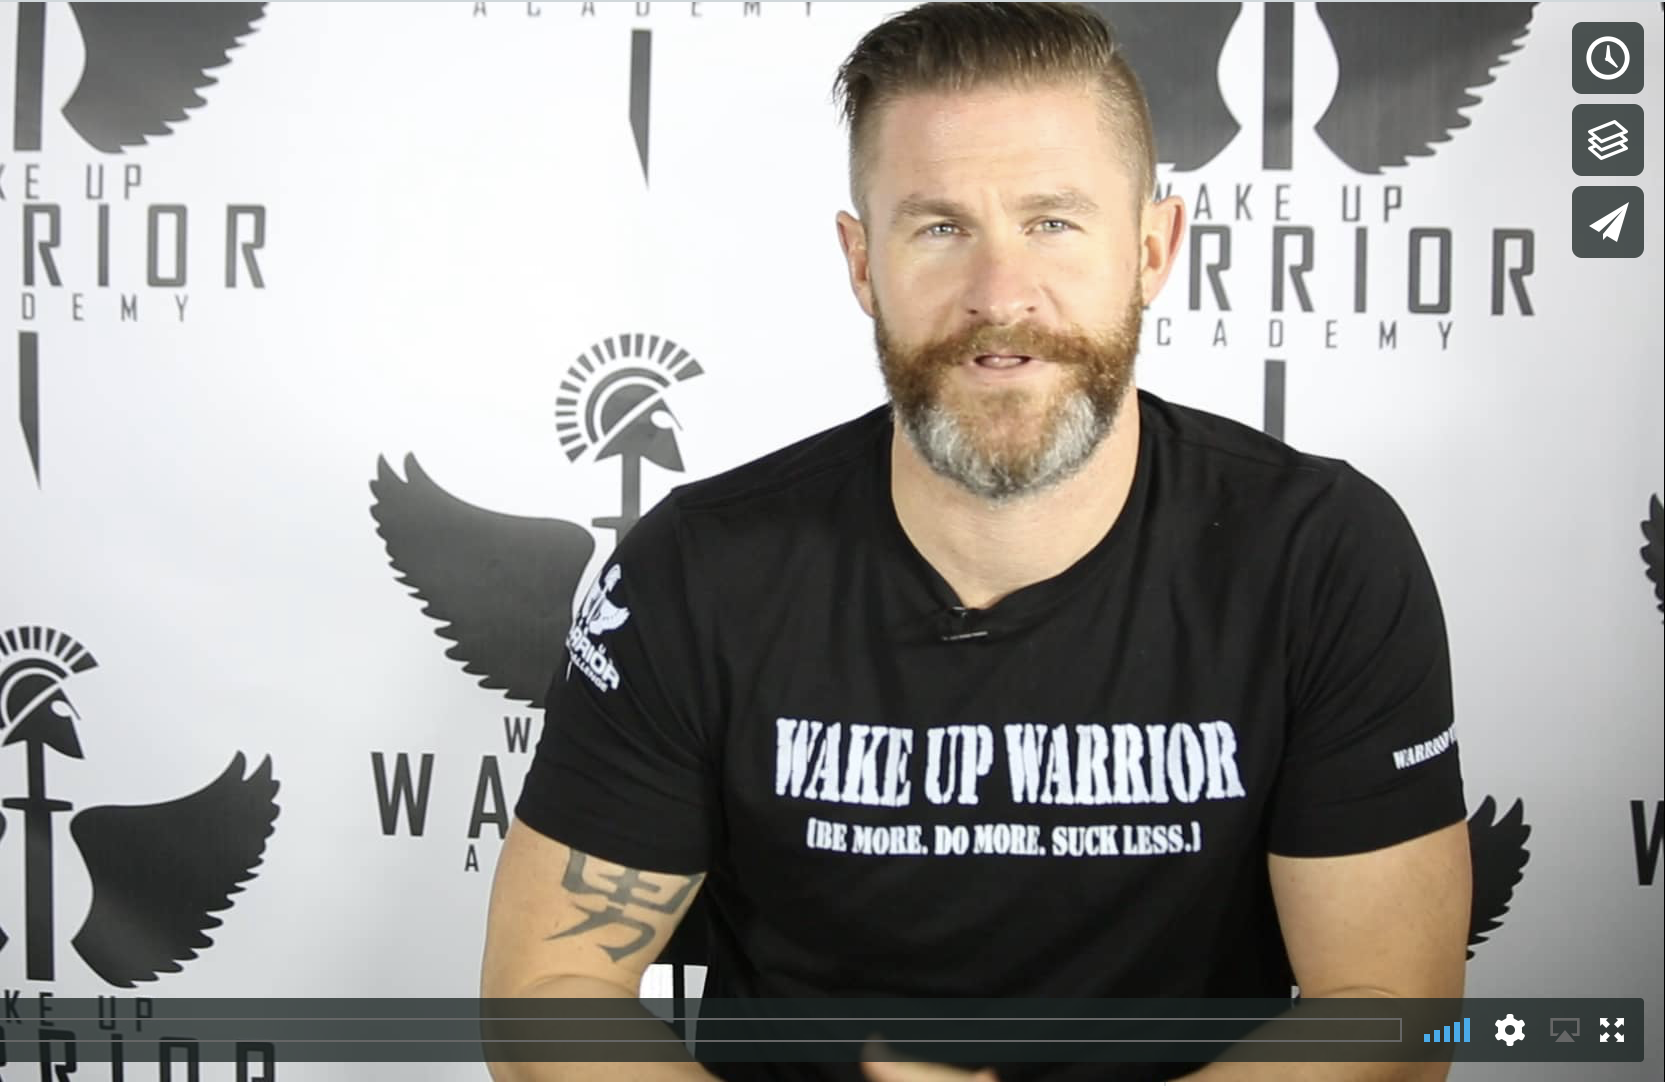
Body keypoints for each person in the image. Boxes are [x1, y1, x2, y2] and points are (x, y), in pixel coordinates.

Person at [482, 3, 1471, 1081]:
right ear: (863, 262)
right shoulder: (698, 569)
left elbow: (1392, 1012)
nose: (1000, 295)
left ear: (1152, 249)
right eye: (940, 228)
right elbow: (549, 996)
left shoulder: (1321, 556)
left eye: (1053, 222)